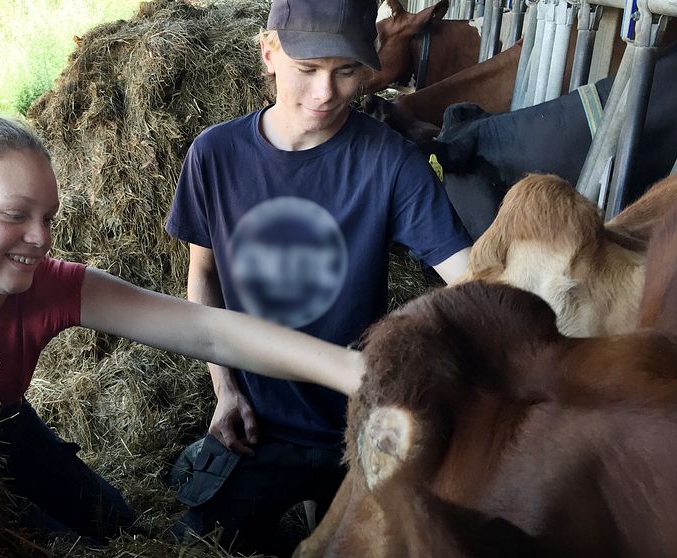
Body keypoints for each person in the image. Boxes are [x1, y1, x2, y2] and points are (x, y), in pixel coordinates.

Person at [0, 113, 367, 543]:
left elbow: (208, 330)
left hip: (2, 424)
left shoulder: (44, 286)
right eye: (15, 215)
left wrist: (355, 371)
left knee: (117, 527)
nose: (40, 237)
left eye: (48, 217)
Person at [165, 0, 473, 554]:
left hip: (362, 424)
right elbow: (203, 277)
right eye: (308, 69)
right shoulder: (215, 155)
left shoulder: (390, 162)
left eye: (347, 70)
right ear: (269, 55)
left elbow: (468, 281)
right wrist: (225, 390)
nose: (327, 92)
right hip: (257, 423)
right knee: (194, 544)